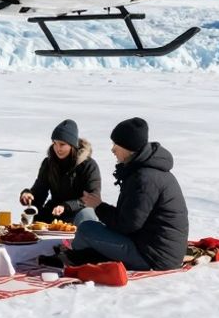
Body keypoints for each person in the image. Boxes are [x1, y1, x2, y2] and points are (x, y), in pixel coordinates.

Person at [67, 116, 189, 271]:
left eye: (116, 145)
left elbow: (126, 225)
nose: (112, 149)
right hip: (152, 248)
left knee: (86, 229)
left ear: (128, 147)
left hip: (153, 258)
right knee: (86, 219)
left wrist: (99, 206)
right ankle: (85, 254)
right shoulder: (145, 171)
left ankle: (77, 257)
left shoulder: (145, 178)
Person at [19, 119, 101, 223]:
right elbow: (40, 190)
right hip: (54, 212)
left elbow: (93, 197)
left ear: (72, 145)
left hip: (79, 213)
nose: (58, 148)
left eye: (62, 144)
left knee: (87, 215)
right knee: (34, 221)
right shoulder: (49, 163)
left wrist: (66, 206)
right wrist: (28, 195)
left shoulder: (88, 165)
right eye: (55, 143)